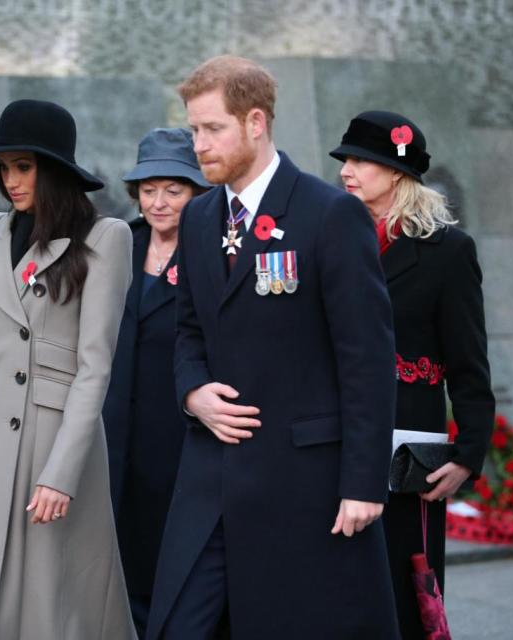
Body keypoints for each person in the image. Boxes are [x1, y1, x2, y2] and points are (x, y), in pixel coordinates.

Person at [146, 55, 400, 639]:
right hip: (211, 478)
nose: (199, 144)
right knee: (179, 625)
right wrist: (192, 393)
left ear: (255, 122)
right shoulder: (200, 216)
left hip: (301, 483)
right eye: (193, 130)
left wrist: (363, 483)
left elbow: (366, 357)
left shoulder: (330, 214)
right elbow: (188, 331)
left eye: (212, 129)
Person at [0, 99, 136, 640]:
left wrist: (61, 474)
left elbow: (95, 368)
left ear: (55, 170)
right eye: (4, 168)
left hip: (51, 442)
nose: (10, 181)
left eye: (23, 166)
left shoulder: (106, 237)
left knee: (49, 609)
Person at [331, 110, 495, 639]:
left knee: (405, 595)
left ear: (397, 172)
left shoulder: (448, 252)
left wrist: (469, 453)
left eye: (360, 161)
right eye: (345, 160)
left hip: (408, 456)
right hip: (331, 439)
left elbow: (469, 363)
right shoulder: (330, 238)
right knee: (335, 588)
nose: (346, 171)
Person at [102, 127, 210, 637]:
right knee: (123, 565)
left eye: (174, 189)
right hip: (118, 433)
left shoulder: (211, 253)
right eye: (148, 190)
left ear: (197, 193)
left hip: (180, 433)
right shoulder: (114, 248)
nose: (159, 202)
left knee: (177, 567)